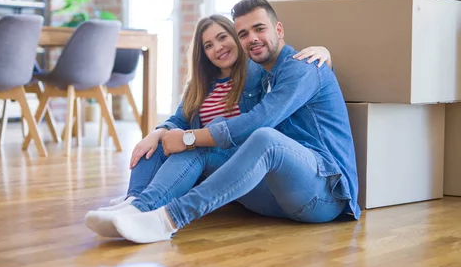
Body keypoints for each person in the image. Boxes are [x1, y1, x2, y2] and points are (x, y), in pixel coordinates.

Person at [84, 13, 332, 237]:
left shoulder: (257, 72)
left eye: (223, 38)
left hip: (244, 163)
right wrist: (158, 132)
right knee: (159, 140)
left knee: (200, 138)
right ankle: (134, 202)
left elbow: (286, 72)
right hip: (214, 166)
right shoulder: (200, 85)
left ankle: (144, 208)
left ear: (237, 39)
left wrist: (325, 53)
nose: (218, 48)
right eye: (209, 46)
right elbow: (179, 120)